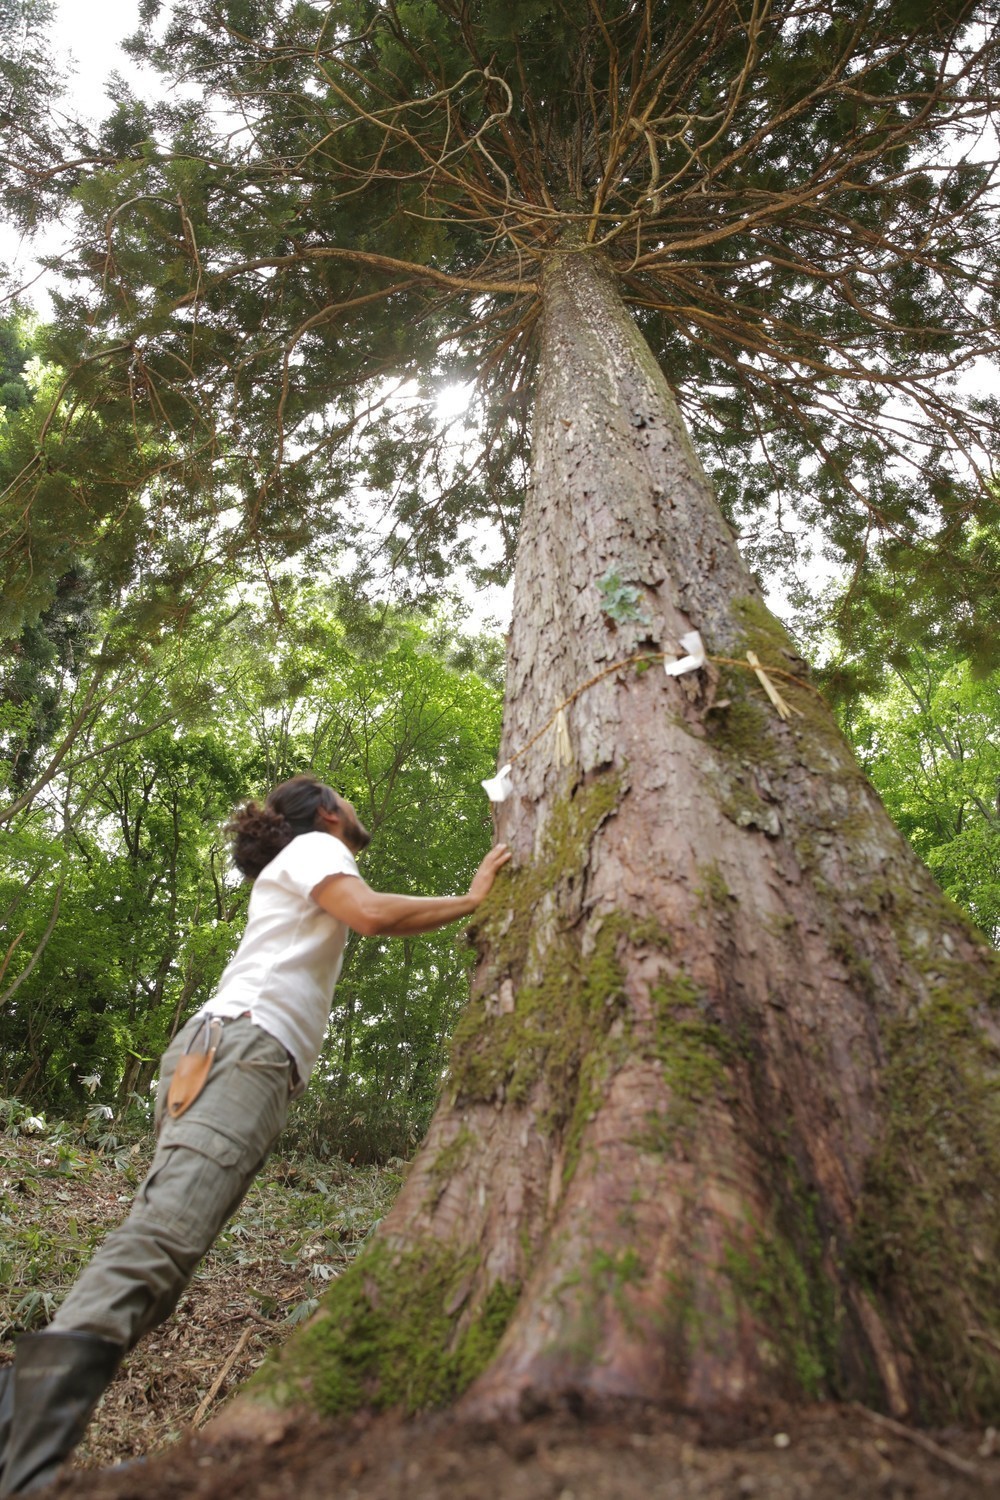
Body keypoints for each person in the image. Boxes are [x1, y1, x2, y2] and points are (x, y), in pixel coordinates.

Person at [0, 774, 510, 1496]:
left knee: (165, 1249)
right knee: (162, 1240)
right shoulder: (311, 850)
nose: (356, 810)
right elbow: (367, 915)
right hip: (242, 1048)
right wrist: (473, 899)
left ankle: (17, 1451)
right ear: (329, 811)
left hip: (238, 1057)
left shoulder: (298, 855)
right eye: (348, 799)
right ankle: (21, 1469)